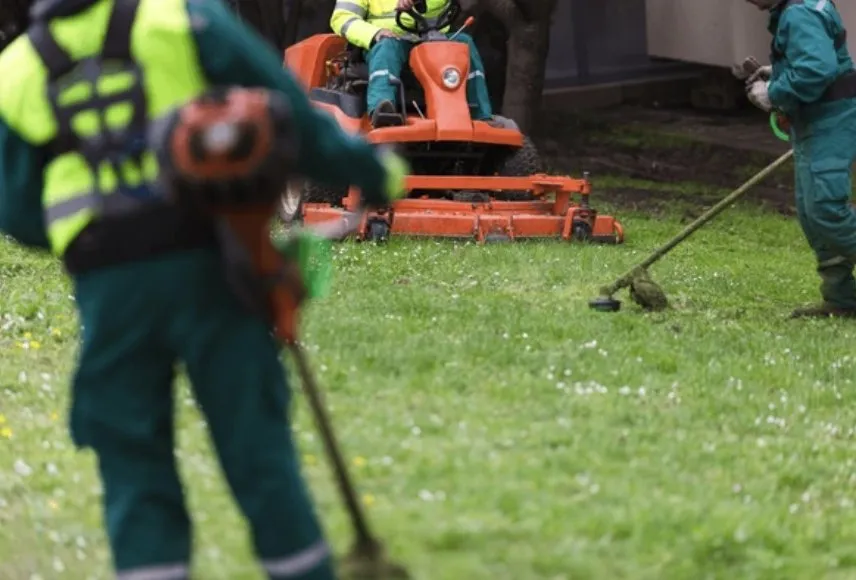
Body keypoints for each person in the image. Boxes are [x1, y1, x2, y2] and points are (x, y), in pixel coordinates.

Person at [0, 0, 407, 579]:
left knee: (132, 456)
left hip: (109, 286)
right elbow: (286, 107)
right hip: (214, 266)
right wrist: (374, 171)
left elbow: (15, 210)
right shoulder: (181, 18)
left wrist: (85, 239)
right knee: (255, 447)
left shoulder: (17, 69)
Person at [742, 0, 856, 318]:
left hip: (830, 123)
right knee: (813, 214)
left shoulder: (799, 13)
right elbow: (814, 58)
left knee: (826, 209)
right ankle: (842, 299)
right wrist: (775, 72)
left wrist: (774, 92)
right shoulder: (797, 8)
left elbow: (816, 69)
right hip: (816, 123)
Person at [330, 0, 497, 128]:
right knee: (387, 47)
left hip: (432, 39)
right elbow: (343, 19)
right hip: (387, 40)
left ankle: (482, 115)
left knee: (464, 43)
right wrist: (375, 33)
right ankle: (381, 108)